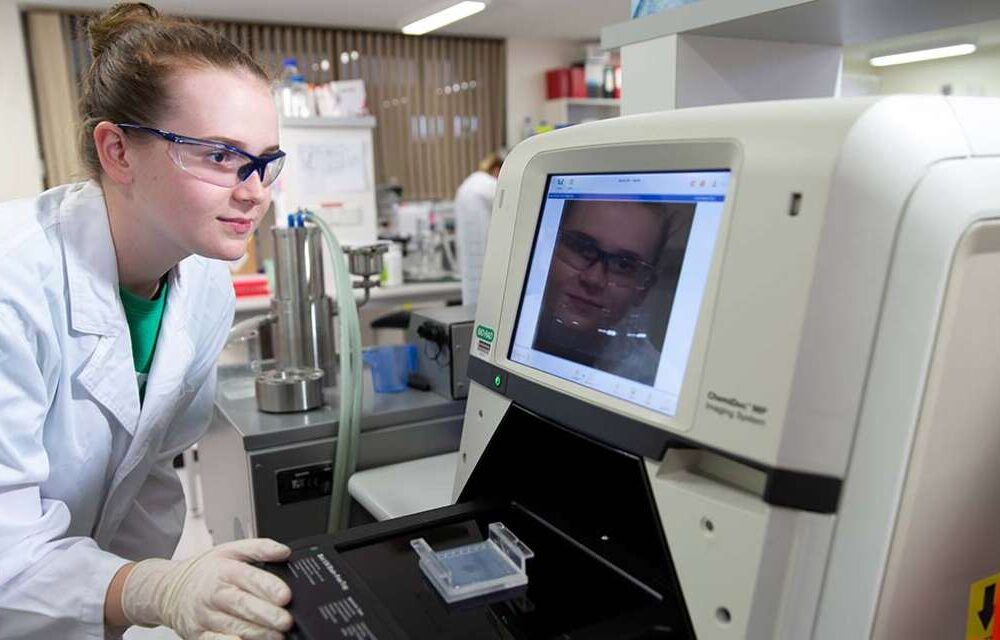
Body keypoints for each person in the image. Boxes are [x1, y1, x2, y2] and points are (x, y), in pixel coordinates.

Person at [0, 4, 295, 639]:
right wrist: (152, 589)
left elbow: (150, 475)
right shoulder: (12, 283)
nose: (254, 190)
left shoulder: (204, 282)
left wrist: (136, 606)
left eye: (265, 160)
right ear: (118, 151)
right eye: (221, 155)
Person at [532, 199, 694, 386]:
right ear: (547, 249)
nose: (593, 279)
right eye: (582, 248)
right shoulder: (504, 315)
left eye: (624, 265)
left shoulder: (657, 381)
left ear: (644, 288)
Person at [454, 150, 505, 305]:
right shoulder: (489, 185)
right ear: (497, 169)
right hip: (488, 264)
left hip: (469, 265)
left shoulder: (469, 184)